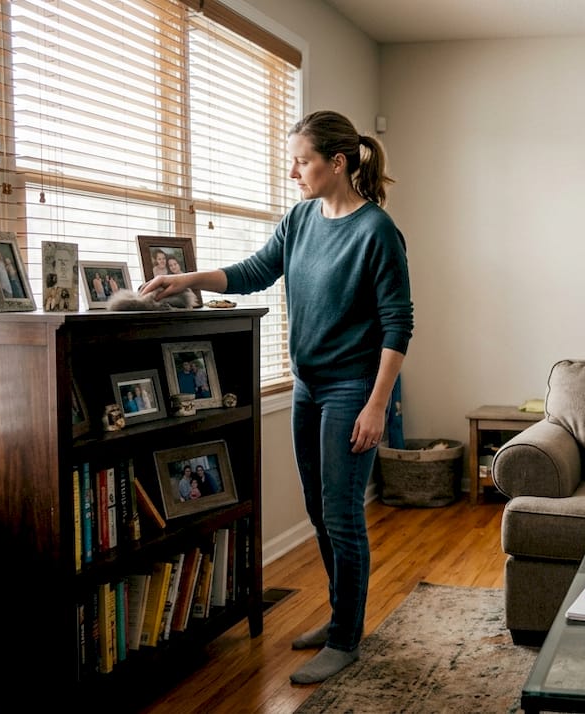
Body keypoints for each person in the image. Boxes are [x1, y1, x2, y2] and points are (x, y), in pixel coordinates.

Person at [138, 109, 412, 685]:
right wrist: (186, 279)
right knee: (319, 510)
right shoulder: (299, 219)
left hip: (352, 388)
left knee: (342, 515)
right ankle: (341, 616)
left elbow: (397, 324)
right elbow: (256, 270)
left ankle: (345, 638)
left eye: (302, 160)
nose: (293, 171)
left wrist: (377, 404)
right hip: (309, 385)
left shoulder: (376, 232)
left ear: (336, 163)